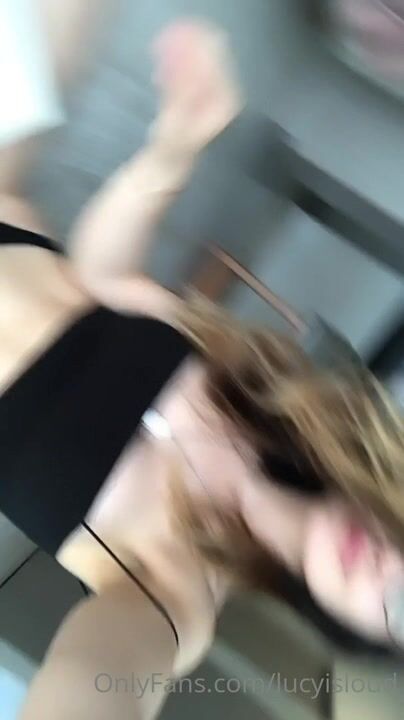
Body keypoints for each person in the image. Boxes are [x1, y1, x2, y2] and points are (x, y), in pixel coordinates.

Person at [1, 18, 403, 720]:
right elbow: (103, 281)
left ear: (367, 640)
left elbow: (101, 683)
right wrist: (176, 149)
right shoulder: (272, 403)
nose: (392, 563)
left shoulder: (177, 597)